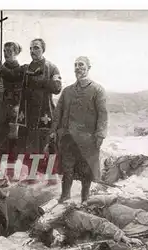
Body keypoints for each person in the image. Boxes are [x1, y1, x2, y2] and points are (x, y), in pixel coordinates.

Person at [51, 56, 108, 203]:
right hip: (68, 138)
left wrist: (100, 135)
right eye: (75, 65)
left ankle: (85, 197)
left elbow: (103, 114)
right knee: (67, 168)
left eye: (81, 65)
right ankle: (65, 196)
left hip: (87, 139)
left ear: (89, 67)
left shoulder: (97, 90)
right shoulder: (67, 91)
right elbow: (57, 112)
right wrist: (53, 131)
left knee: (86, 170)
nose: (78, 68)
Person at [15, 38, 62, 172]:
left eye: (36, 48)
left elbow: (57, 87)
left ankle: (50, 178)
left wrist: (41, 81)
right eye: (30, 48)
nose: (32, 51)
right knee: (27, 146)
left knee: (45, 146)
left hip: (44, 113)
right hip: (27, 114)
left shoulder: (51, 67)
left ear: (43, 50)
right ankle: (32, 176)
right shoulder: (25, 68)